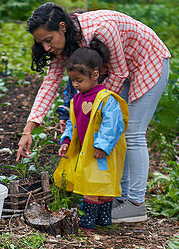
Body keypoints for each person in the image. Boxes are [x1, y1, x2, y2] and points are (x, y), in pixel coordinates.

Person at [16, 2, 170, 223]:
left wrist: (95, 112)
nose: (46, 48)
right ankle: (120, 198)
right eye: (41, 44)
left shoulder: (101, 30)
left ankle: (136, 204)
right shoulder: (64, 47)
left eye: (48, 40)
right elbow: (50, 84)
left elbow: (118, 73)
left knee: (132, 132)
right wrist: (28, 130)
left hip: (147, 60)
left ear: (62, 27)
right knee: (115, 133)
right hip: (120, 69)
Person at [54, 47, 128, 232]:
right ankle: (101, 221)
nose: (75, 84)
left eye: (79, 80)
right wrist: (66, 141)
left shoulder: (105, 99)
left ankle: (90, 224)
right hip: (87, 151)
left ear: (95, 75)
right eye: (72, 80)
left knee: (96, 185)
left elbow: (113, 124)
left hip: (102, 151)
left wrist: (103, 145)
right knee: (93, 182)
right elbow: (72, 123)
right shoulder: (77, 99)